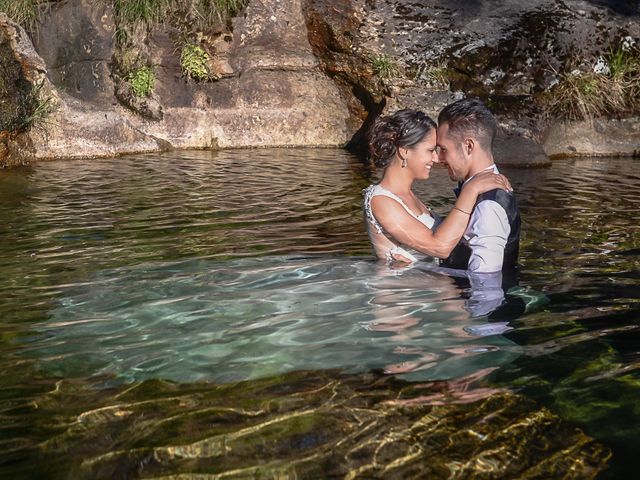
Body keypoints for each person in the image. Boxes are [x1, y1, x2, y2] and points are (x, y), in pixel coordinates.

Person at [363, 109, 512, 265]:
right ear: (405, 151)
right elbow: (440, 247)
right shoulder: (381, 201)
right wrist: (470, 191)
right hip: (406, 289)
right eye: (430, 150)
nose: (436, 158)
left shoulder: (408, 196)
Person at [436, 99, 521, 273]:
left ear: (468, 146)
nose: (439, 159)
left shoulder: (488, 207)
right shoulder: (485, 188)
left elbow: (486, 285)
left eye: (444, 149)